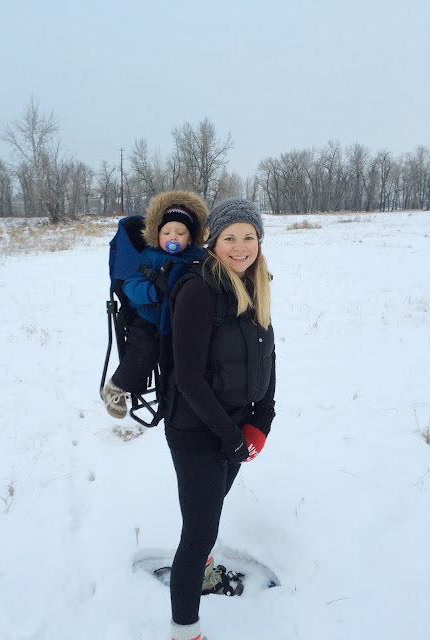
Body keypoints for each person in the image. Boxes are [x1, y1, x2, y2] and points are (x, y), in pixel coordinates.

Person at [164, 198, 276, 640]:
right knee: (198, 532)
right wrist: (231, 438)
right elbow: (188, 377)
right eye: (229, 237)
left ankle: (204, 571)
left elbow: (268, 359)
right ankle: (184, 631)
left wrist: (261, 423)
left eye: (249, 236)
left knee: (207, 513)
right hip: (195, 429)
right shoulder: (198, 290)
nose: (240, 245)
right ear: (213, 243)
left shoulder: (256, 284)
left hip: (232, 427)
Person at [101, 190, 208, 419]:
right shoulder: (150, 256)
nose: (173, 237)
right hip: (147, 319)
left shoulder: (197, 256)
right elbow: (130, 286)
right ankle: (116, 387)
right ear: (156, 234)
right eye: (166, 232)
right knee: (143, 353)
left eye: (180, 233)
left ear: (189, 238)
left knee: (184, 358)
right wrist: (151, 291)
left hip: (177, 323)